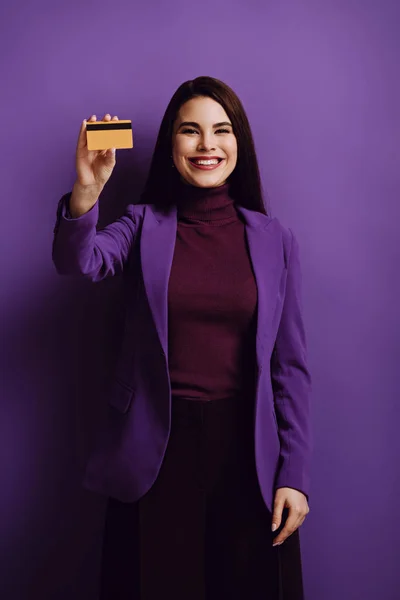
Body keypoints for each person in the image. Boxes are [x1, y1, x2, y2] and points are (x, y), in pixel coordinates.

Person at [52, 76, 312, 600]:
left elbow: (291, 368)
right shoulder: (142, 224)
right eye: (190, 131)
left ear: (239, 142)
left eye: (221, 130)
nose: (207, 144)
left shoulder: (273, 239)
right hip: (155, 450)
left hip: (247, 454)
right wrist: (87, 191)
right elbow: (78, 261)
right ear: (172, 148)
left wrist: (295, 474)